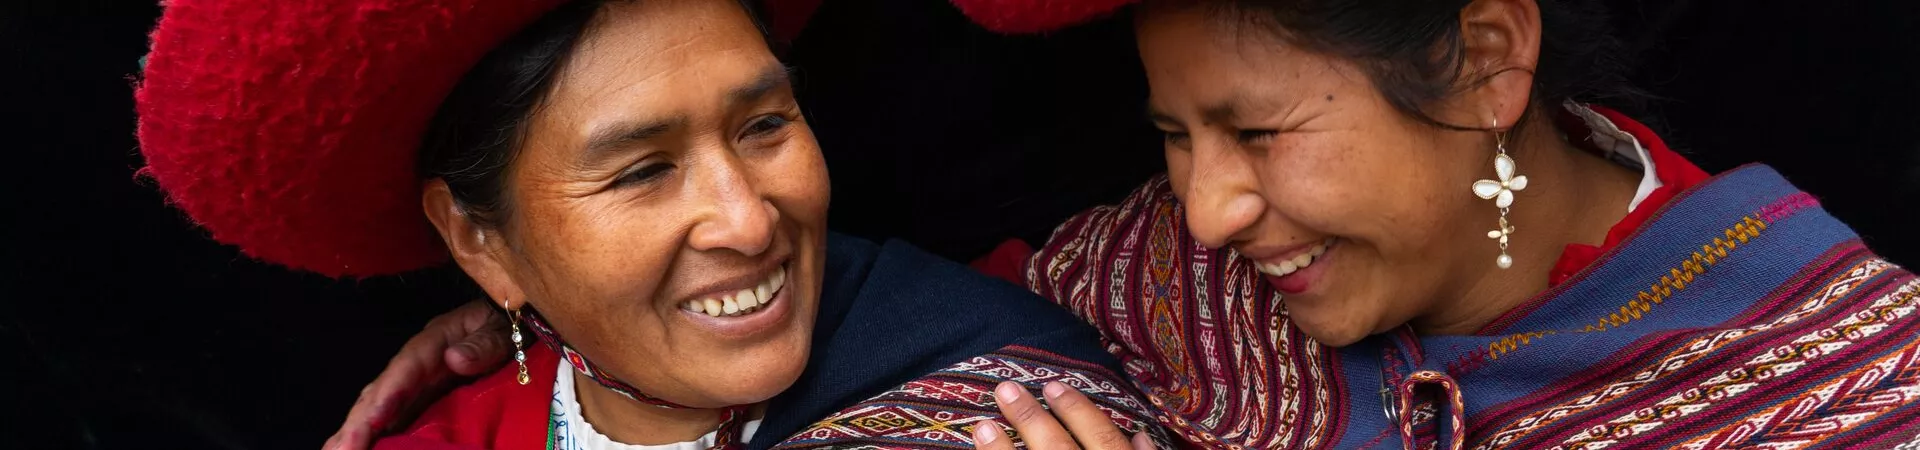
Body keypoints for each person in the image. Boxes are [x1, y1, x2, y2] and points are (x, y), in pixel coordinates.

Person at [338, 0, 1920, 448]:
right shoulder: (1141, 274)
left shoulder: (1843, 379)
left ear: (1490, 57)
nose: (1210, 206)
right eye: (1172, 136)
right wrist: (549, 309)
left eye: (1257, 130)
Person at [133, 0, 1173, 448]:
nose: (747, 218)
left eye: (766, 123)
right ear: (478, 242)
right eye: (641, 171)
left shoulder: (1006, 377)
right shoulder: (443, 440)